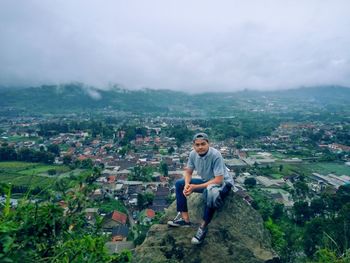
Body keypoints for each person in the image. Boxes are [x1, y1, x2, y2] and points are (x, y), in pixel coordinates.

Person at [167, 132, 234, 245]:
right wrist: (188, 184)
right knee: (179, 184)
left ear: (208, 143)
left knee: (210, 193)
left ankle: (203, 228)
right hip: (207, 181)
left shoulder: (215, 155)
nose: (200, 147)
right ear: (193, 145)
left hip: (222, 184)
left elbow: (218, 180)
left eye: (203, 144)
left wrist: (195, 187)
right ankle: (185, 219)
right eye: (197, 145)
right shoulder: (193, 154)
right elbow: (188, 172)